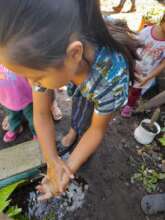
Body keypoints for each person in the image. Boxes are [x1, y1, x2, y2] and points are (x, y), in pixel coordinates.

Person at [0, 0, 141, 199]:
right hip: (77, 74)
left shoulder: (111, 81)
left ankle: (77, 131)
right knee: (78, 109)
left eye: (36, 77)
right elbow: (40, 113)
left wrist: (67, 169)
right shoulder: (42, 57)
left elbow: (97, 129)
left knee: (86, 122)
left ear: (74, 53)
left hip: (98, 82)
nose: (31, 83)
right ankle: (74, 130)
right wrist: (52, 161)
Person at [121, 13, 165, 117]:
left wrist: (149, 77)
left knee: (136, 90)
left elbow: (163, 64)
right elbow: (133, 44)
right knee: (124, 82)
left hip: (146, 74)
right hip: (133, 65)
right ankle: (119, 97)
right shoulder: (147, 31)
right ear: (163, 20)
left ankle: (129, 106)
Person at [0, 65, 36, 142]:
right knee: (12, 116)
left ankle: (37, 133)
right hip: (7, 98)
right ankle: (14, 128)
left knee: (33, 118)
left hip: (27, 97)